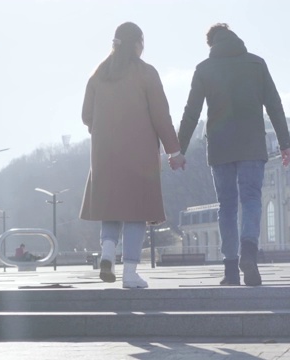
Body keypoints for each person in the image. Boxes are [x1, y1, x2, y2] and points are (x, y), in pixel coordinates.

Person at [177, 23, 290, 286]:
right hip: (252, 144)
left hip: (220, 147)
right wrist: (285, 143)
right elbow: (275, 104)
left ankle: (230, 270)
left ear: (211, 44)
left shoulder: (204, 69)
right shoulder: (256, 64)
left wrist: (178, 150)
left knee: (227, 206)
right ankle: (249, 252)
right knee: (251, 199)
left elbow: (191, 112)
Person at [80, 22, 186, 288]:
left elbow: (86, 116)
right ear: (137, 43)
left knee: (111, 209)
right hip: (139, 155)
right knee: (136, 212)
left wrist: (103, 130)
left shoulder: (98, 74)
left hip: (104, 154)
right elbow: (161, 116)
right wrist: (174, 151)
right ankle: (129, 274)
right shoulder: (146, 73)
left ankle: (106, 254)